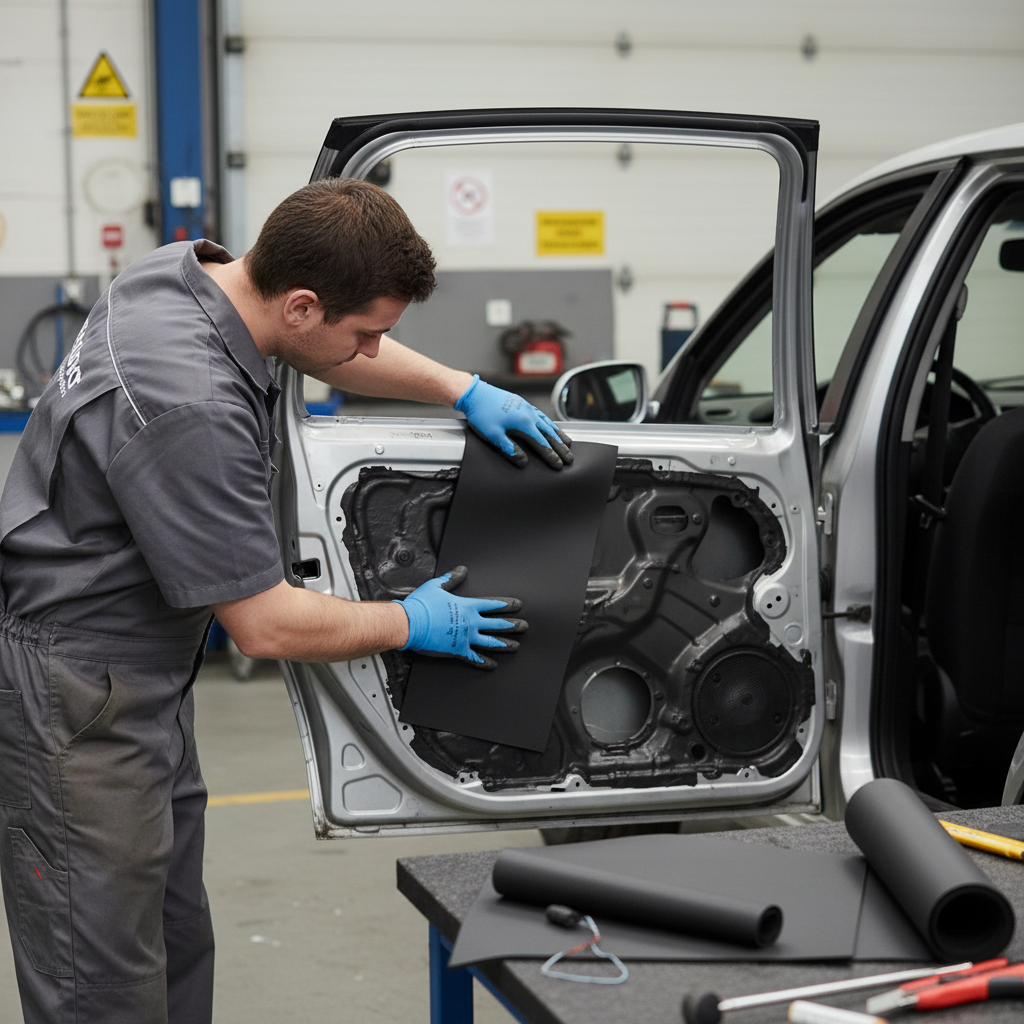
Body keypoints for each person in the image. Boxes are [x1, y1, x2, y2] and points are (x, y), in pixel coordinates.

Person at [0, 178, 572, 1024]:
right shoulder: (189, 398)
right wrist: (412, 622)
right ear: (301, 306)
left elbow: (334, 341)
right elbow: (264, 624)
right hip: (80, 691)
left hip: (137, 674)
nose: (374, 351)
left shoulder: (183, 275)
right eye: (367, 334)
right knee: (103, 979)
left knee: (171, 933)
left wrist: (459, 388)